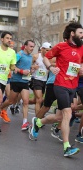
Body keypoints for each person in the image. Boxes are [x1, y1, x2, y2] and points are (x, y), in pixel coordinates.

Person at [29, 22, 83, 157]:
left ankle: (38, 122)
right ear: (72, 33)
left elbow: (80, 65)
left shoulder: (82, 48)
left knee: (60, 117)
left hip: (73, 86)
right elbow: (46, 57)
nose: (82, 35)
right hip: (60, 84)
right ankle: (66, 147)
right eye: (80, 33)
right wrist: (50, 68)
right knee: (67, 114)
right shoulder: (61, 46)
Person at [0, 40, 35, 130]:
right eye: (31, 46)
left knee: (26, 101)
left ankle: (24, 122)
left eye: (33, 47)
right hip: (16, 81)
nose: (32, 48)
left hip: (25, 82)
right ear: (25, 46)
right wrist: (21, 71)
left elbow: (27, 67)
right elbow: (12, 65)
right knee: (11, 101)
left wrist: (31, 70)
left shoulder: (30, 57)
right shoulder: (19, 54)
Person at [29, 42, 51, 115]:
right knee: (39, 99)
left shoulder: (49, 58)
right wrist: (32, 67)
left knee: (35, 100)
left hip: (44, 80)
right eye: (47, 50)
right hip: (36, 79)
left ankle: (25, 102)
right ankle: (37, 119)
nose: (48, 52)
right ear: (42, 49)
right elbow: (28, 65)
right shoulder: (36, 56)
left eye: (49, 50)